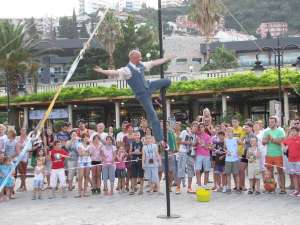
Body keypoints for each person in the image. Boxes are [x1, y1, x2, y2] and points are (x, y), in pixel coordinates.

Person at [94, 49, 174, 148]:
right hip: (142, 95)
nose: (141, 58)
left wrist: (167, 58)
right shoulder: (126, 70)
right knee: (152, 114)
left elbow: (154, 63)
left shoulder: (140, 64)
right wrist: (102, 71)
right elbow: (114, 72)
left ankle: (159, 97)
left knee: (167, 81)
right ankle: (160, 140)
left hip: (149, 86)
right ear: (133, 58)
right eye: (139, 57)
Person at [262, 116, 286, 194]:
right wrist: (267, 140)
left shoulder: (280, 131)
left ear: (276, 123)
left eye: (272, 122)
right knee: (269, 172)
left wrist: (271, 139)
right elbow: (263, 142)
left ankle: (283, 188)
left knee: (280, 172)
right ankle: (272, 188)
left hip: (278, 155)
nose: (270, 123)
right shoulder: (266, 131)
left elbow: (281, 141)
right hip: (269, 155)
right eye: (269, 122)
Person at [175, 122, 197, 194]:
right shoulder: (185, 132)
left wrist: (193, 144)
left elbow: (193, 145)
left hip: (190, 154)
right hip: (182, 152)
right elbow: (178, 141)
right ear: (191, 126)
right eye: (194, 126)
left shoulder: (195, 136)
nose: (195, 128)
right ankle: (178, 188)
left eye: (196, 127)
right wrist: (186, 142)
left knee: (191, 170)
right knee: (181, 169)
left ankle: (189, 188)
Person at [282, 127, 300, 197]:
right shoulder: (289, 140)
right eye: (291, 131)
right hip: (291, 161)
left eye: (294, 131)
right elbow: (283, 142)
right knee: (294, 176)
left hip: (298, 161)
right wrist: (284, 148)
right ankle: (296, 190)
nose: (292, 132)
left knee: (299, 176)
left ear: (297, 132)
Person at [223, 127, 240, 194]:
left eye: (230, 132)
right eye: (227, 132)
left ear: (233, 133)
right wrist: (226, 151)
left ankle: (238, 188)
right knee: (228, 174)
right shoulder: (225, 140)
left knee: (236, 174)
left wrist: (238, 152)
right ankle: (229, 188)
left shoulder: (236, 139)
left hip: (235, 159)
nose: (229, 133)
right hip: (228, 160)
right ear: (226, 133)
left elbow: (242, 143)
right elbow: (224, 148)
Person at [195, 122, 212, 188]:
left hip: (206, 155)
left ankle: (205, 185)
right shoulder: (196, 135)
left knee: (206, 170)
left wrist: (204, 145)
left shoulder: (208, 136)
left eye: (202, 127)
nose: (200, 128)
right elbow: (194, 144)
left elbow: (210, 146)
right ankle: (199, 185)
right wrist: (196, 142)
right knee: (197, 170)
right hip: (198, 154)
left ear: (204, 128)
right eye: (200, 127)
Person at [76, 133, 91, 197]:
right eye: (84, 137)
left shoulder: (90, 145)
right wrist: (86, 153)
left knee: (87, 176)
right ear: (82, 138)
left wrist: (84, 152)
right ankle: (79, 192)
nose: (86, 138)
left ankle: (85, 192)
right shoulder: (79, 144)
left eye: (87, 137)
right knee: (80, 177)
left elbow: (90, 153)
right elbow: (80, 154)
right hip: (81, 162)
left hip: (88, 161)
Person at [16, 127, 28, 192]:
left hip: (25, 157)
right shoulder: (17, 138)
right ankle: (24, 186)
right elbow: (15, 146)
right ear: (20, 131)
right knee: (21, 171)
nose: (23, 131)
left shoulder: (28, 138)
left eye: (25, 130)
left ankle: (23, 186)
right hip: (18, 157)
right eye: (22, 130)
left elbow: (30, 148)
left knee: (24, 172)